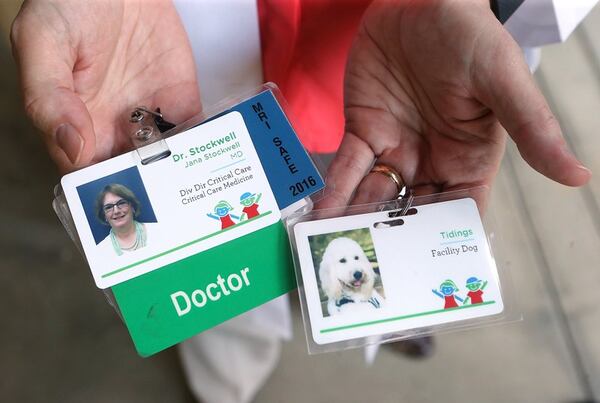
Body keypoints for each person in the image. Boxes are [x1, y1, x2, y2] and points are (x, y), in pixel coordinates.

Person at [10, 0, 592, 402]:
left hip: (398, 65)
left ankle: (391, 307)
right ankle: (231, 370)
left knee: (387, 229)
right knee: (221, 282)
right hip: (186, 62)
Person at [95, 183, 153, 256]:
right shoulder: (100, 252)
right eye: (108, 207)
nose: (116, 211)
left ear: (132, 207)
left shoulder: (157, 230)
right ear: (104, 216)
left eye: (121, 203)